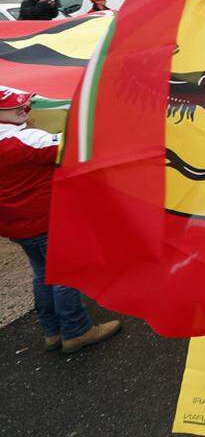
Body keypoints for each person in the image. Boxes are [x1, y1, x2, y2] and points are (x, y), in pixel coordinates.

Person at [0, 86, 121, 353]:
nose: (24, 108)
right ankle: (77, 331)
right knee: (65, 273)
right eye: (14, 105)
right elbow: (78, 145)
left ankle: (52, 331)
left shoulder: (16, 137)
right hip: (46, 219)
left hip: (16, 225)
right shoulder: (28, 140)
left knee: (42, 273)